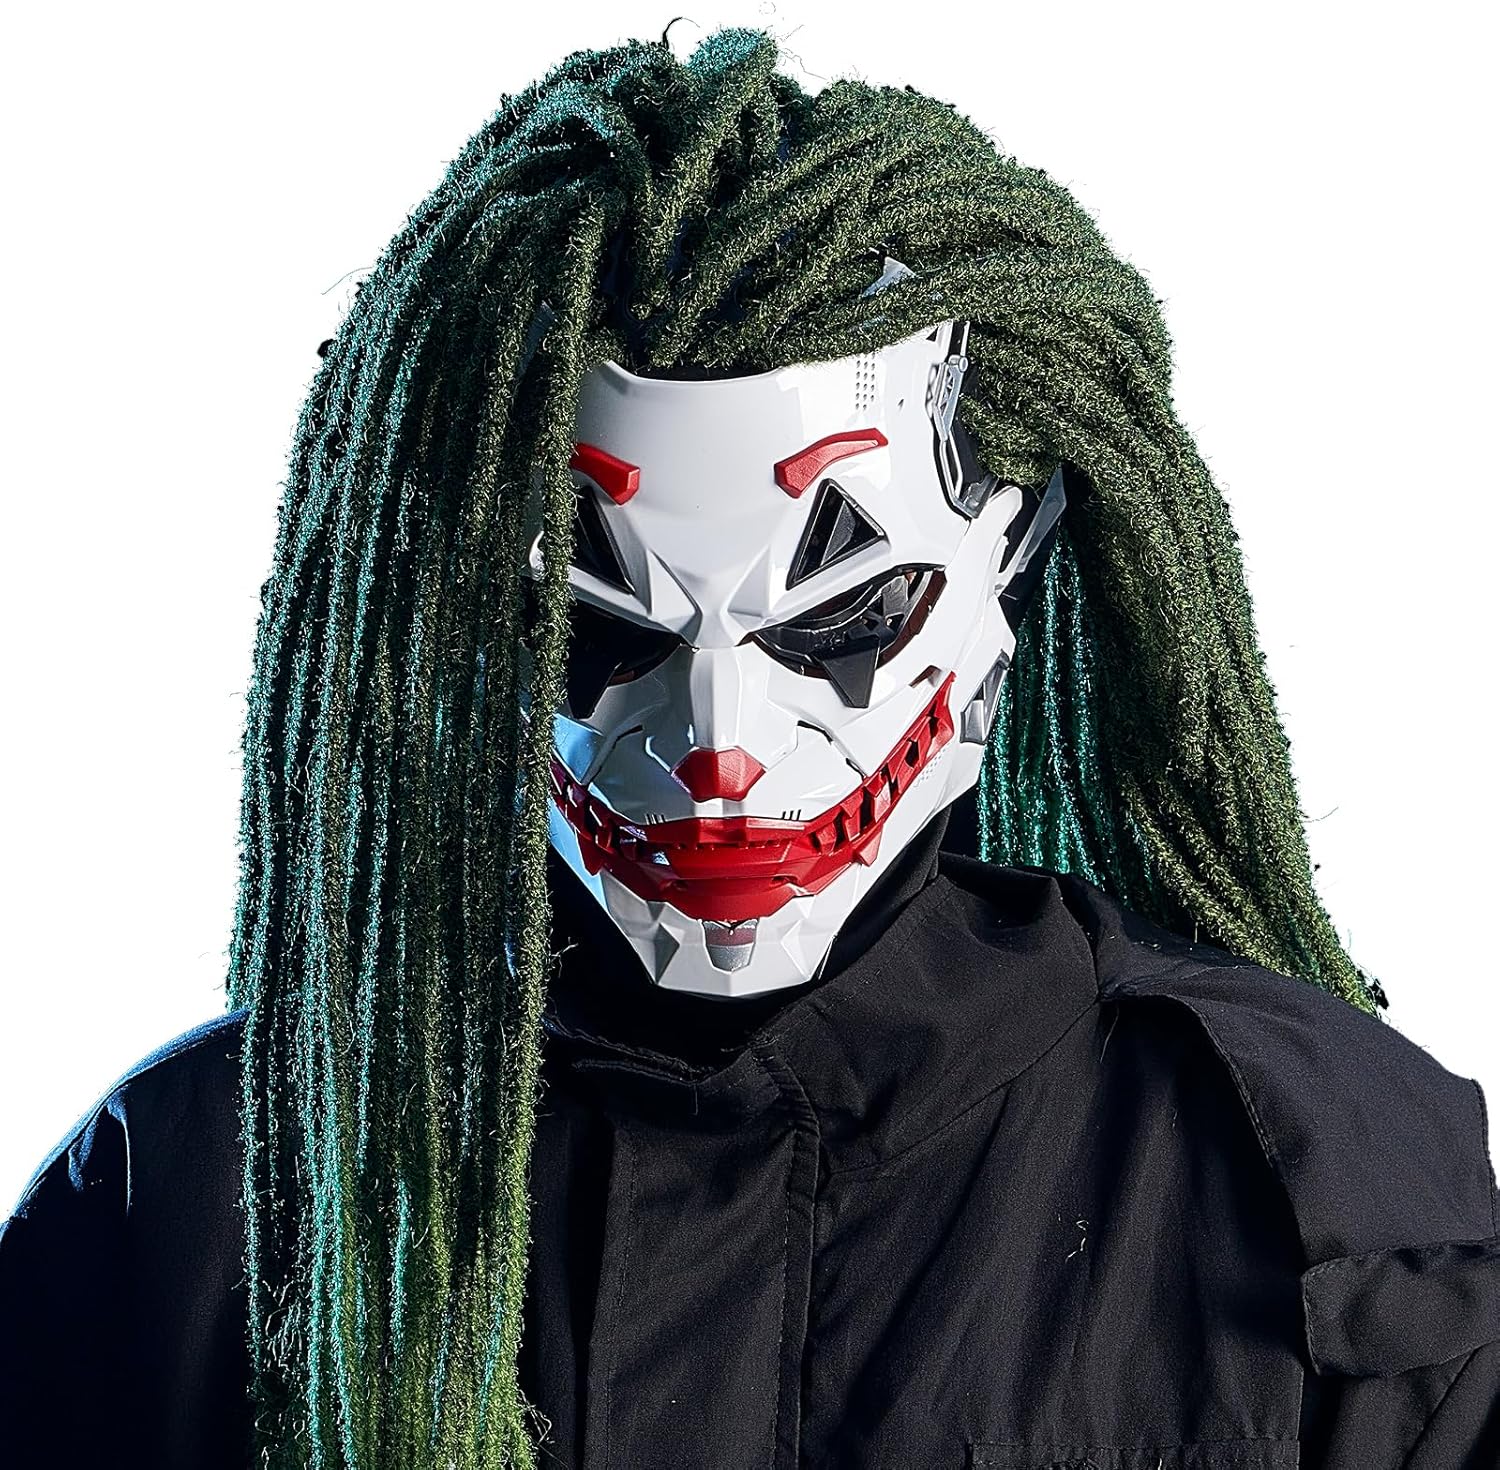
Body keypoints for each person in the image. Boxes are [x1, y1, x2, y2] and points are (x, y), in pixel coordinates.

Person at [2, 27, 1496, 1470]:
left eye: (841, 614)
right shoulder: (185, 1206)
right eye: (594, 627)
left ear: (1010, 567)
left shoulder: (1318, 1198)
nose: (719, 740)